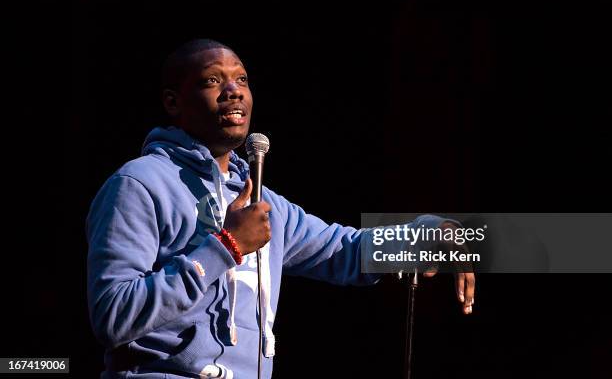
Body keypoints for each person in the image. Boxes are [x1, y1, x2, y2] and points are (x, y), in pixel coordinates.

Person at [86, 39, 475, 379]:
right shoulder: (138, 185)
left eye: (242, 80)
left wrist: (423, 234)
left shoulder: (262, 202)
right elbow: (114, 314)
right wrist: (225, 247)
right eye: (212, 80)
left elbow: (346, 250)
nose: (233, 91)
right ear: (173, 100)